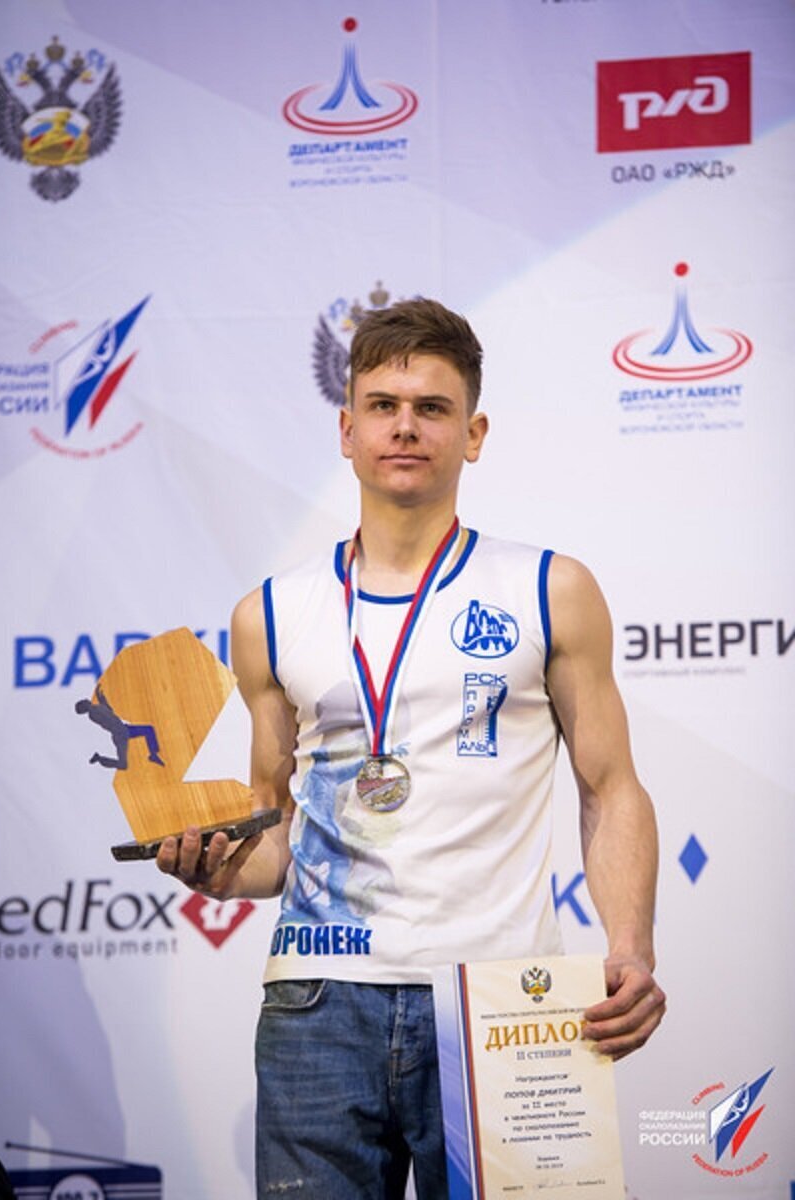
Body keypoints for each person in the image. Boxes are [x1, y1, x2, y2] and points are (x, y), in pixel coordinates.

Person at [156, 298, 666, 1199]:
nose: (405, 426)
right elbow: (271, 830)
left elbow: (611, 787)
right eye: (383, 406)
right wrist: (217, 869)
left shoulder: (550, 588)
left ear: (473, 435)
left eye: (432, 407)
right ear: (346, 431)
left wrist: (631, 945)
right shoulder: (269, 613)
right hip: (320, 996)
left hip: (505, 993)